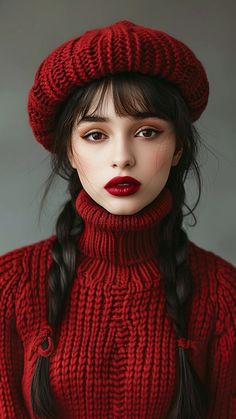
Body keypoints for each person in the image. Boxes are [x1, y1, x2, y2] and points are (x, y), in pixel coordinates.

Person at [0, 19, 235, 419]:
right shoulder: (10, 288)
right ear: (69, 152)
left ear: (177, 147)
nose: (122, 156)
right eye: (95, 134)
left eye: (146, 131)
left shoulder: (224, 298)